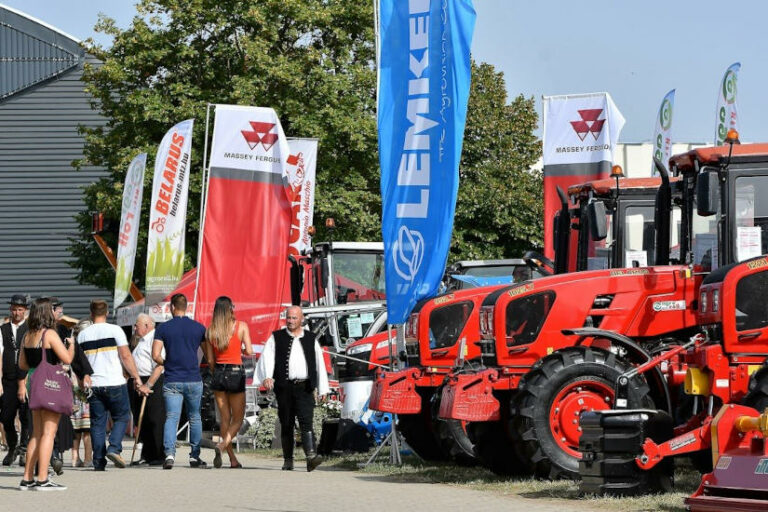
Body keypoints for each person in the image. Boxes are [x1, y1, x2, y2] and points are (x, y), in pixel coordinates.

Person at [254, 306, 329, 472]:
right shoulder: (276, 337)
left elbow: (319, 364)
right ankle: (288, 459)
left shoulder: (310, 338)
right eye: (288, 317)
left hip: (305, 387)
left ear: (301, 319)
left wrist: (323, 388)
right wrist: (267, 376)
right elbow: (267, 357)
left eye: (294, 318)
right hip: (284, 387)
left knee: (306, 421)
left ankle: (310, 456)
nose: (290, 321)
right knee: (286, 422)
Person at [77, 299, 148, 471]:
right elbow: (125, 356)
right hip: (115, 382)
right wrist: (136, 377)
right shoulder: (115, 330)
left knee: (97, 423)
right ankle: (114, 448)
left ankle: (98, 461)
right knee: (122, 416)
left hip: (94, 384)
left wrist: (81, 384)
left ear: (91, 313)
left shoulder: (82, 335)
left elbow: (79, 363)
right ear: (107, 313)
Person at [18, 297, 74, 490]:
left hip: (34, 383)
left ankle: (27, 478)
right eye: (52, 309)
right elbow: (67, 359)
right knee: (49, 433)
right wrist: (71, 345)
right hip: (50, 385)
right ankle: (42, 478)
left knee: (36, 433)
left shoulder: (27, 335)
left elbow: (22, 364)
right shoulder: (49, 334)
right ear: (46, 312)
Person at [152, 293, 213, 469]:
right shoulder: (199, 328)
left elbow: (155, 355)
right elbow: (209, 357)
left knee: (172, 417)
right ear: (187, 307)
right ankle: (194, 456)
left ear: (172, 307)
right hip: (193, 378)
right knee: (195, 417)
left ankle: (169, 455)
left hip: (172, 379)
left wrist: (167, 362)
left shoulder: (163, 328)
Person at [203, 297, 253, 469]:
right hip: (235, 373)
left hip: (218, 372)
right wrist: (241, 349)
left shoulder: (210, 331)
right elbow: (249, 350)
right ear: (231, 308)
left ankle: (232, 459)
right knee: (238, 419)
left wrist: (216, 371)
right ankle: (223, 445)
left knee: (224, 419)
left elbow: (210, 360)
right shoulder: (241, 326)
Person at [48, 297, 93, 475]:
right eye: (58, 309)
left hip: (63, 380)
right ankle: (50, 456)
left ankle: (55, 455)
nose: (60, 312)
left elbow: (77, 354)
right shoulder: (36, 330)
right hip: (45, 380)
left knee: (60, 421)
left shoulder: (62, 330)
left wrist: (85, 372)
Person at [130, 313, 165, 465]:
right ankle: (147, 454)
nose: (134, 328)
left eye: (136, 325)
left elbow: (160, 365)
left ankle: (158, 454)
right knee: (142, 419)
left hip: (152, 380)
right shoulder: (141, 340)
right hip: (140, 380)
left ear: (146, 325)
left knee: (155, 418)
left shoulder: (155, 339)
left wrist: (148, 385)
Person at [1, 294, 30, 467]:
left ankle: (24, 449)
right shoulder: (3, 329)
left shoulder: (30, 328)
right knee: (6, 417)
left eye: (20, 309)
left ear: (25, 310)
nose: (16, 312)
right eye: (14, 309)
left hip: (26, 377)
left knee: (26, 416)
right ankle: (12, 447)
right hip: (8, 379)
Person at [70, 319, 93, 468]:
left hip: (72, 391)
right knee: (87, 429)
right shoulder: (88, 349)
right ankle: (88, 458)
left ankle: (75, 457)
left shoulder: (71, 347)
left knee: (76, 428)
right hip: (85, 391)